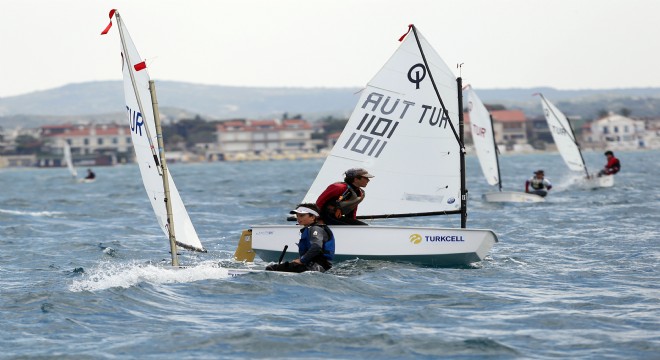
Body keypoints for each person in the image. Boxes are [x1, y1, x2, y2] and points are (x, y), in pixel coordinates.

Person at [266, 203, 335, 273]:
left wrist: (302, 260)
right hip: (311, 264)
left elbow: (316, 247)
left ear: (312, 217)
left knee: (271, 268)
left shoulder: (316, 229)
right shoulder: (308, 229)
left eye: (302, 215)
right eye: (297, 215)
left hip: (318, 265)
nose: (298, 218)